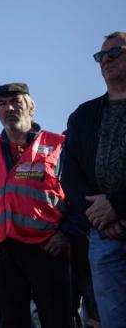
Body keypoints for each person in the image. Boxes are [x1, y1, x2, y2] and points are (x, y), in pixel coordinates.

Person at [0, 83, 83, 328]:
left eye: (16, 101)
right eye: (2, 104)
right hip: (0, 251)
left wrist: (67, 233)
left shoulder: (59, 144)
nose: (9, 108)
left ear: (31, 107)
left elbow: (79, 193)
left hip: (49, 249)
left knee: (58, 319)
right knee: (11, 321)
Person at [60, 31, 126, 327]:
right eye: (102, 56)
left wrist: (117, 205)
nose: (107, 60)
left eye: (115, 53)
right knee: (111, 317)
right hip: (103, 233)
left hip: (115, 215)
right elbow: (70, 172)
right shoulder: (83, 115)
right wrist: (100, 216)